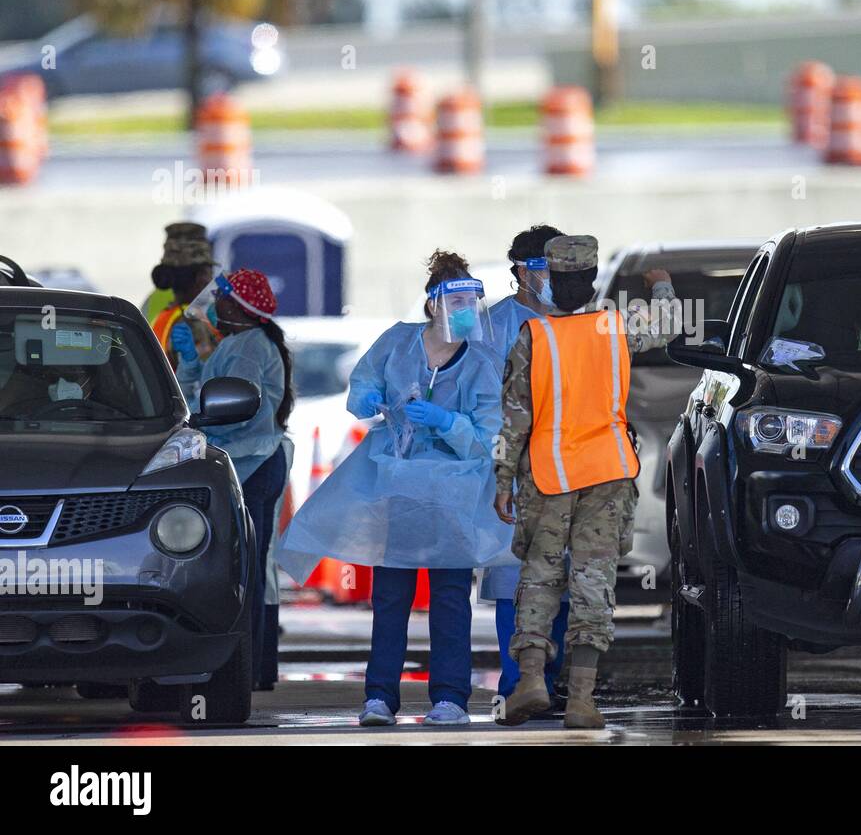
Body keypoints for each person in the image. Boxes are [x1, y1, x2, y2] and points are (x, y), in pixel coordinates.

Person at [277, 250, 511, 727]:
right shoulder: (398, 343)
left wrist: (447, 421)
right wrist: (371, 399)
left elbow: (489, 436)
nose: (466, 312)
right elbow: (362, 386)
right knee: (391, 596)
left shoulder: (481, 362)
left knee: (449, 598)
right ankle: (380, 697)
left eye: (472, 302)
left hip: (452, 495)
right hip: (399, 489)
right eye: (457, 301)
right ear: (432, 306)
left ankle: (451, 698)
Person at [493, 234, 676, 729]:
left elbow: (513, 419)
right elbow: (668, 326)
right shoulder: (614, 328)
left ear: (550, 280)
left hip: (548, 477)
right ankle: (581, 699)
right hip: (608, 475)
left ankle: (531, 679)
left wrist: (502, 480)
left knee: (538, 578)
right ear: (593, 281)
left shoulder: (533, 337)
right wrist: (660, 286)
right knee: (593, 583)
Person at [173, 269, 292, 691]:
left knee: (248, 573)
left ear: (236, 307)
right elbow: (209, 392)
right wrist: (191, 365)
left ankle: (252, 668)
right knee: (253, 569)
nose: (213, 304)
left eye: (221, 297)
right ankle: (255, 667)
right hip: (256, 460)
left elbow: (236, 413)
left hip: (252, 463)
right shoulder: (242, 344)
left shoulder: (245, 349)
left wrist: (203, 430)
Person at [481, 224, 571, 705]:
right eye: (543, 268)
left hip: (569, 467)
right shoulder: (495, 325)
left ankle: (549, 683)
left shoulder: (574, 319)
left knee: (562, 579)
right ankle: (517, 685)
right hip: (516, 468)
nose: (553, 277)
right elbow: (488, 404)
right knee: (512, 581)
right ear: (520, 270)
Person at [148, 222, 220, 371]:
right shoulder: (192, 321)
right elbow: (205, 379)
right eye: (209, 272)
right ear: (201, 277)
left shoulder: (164, 316)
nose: (212, 279)